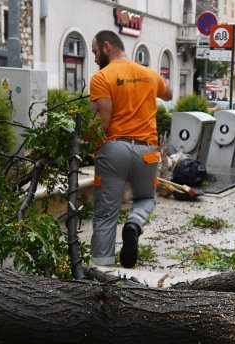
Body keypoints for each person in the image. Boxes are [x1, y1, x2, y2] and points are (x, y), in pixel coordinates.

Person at [89, 30, 172, 268]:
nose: (94, 58)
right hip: (147, 152)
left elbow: (102, 124)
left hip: (114, 150)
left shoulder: (101, 77)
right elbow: (168, 93)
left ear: (106, 47)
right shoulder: (148, 73)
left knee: (106, 214)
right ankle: (134, 223)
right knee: (146, 198)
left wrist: (82, 138)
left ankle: (103, 271)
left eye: (95, 52)